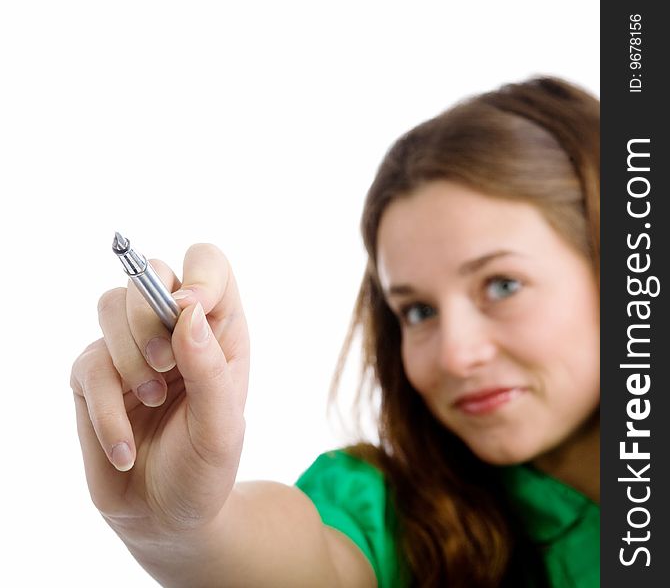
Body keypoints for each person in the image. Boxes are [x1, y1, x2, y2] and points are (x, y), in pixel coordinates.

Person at [71, 76, 600, 587]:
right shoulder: (405, 521)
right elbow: (304, 560)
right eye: (417, 312)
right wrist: (181, 525)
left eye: (503, 285)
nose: (456, 356)